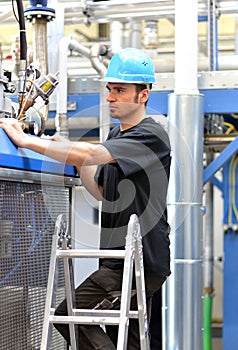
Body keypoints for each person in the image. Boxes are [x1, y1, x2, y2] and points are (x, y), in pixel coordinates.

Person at [0, 47, 171, 349]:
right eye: (109, 90)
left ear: (143, 95)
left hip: (139, 258)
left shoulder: (151, 134)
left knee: (71, 314)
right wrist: (74, 158)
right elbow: (101, 191)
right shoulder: (118, 140)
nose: (110, 97)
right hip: (121, 258)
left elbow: (93, 154)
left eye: (120, 90)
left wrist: (27, 140)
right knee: (130, 339)